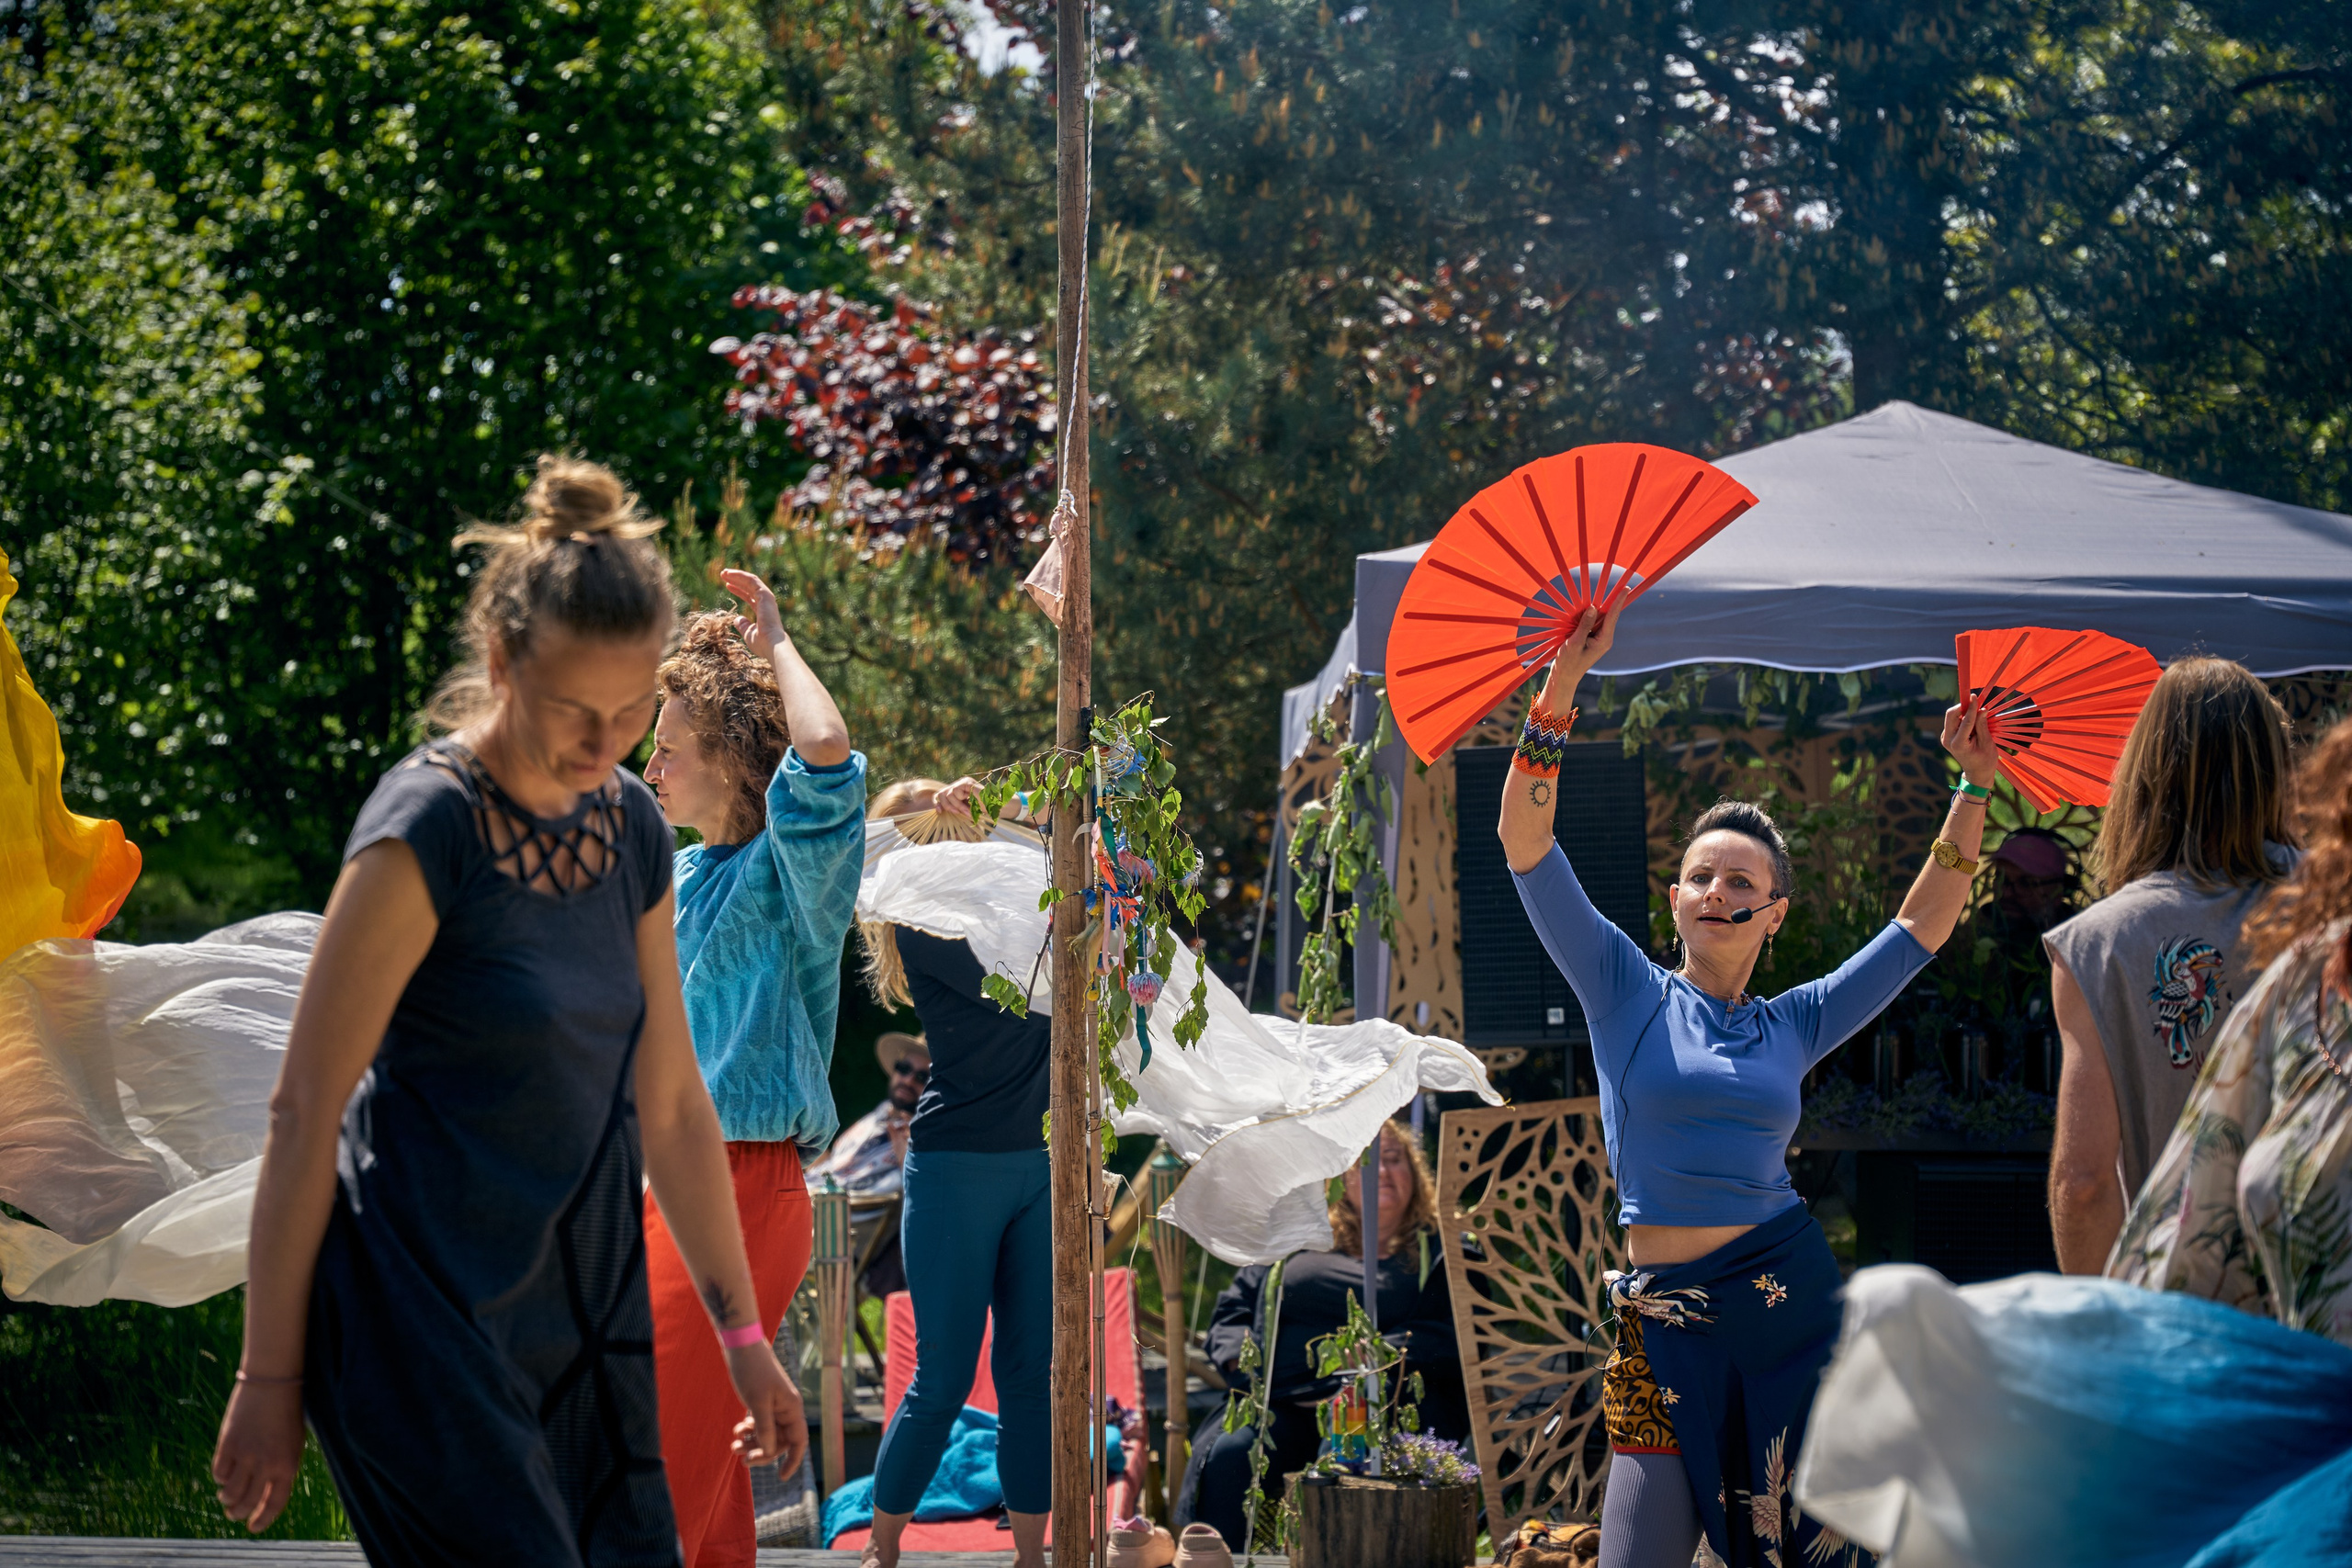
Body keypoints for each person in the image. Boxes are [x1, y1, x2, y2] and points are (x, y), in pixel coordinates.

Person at [210, 457, 803, 1562]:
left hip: (577, 1308)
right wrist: (268, 1373)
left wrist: (742, 1337)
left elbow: (672, 1105)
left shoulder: (629, 829)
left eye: (632, 714)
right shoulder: (423, 826)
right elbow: (305, 1111)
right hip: (412, 1313)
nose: (605, 743)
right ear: (501, 664)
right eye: (574, 712)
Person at [1498, 604, 1994, 1568]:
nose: (1717, 893)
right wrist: (1561, 684)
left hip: (1783, 1313)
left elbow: (1922, 926)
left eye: (1739, 883)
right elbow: (1525, 842)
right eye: (1699, 876)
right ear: (1674, 898)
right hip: (1659, 1320)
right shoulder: (1621, 988)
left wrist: (1974, 782)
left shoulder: (1794, 1020)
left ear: (1773, 914)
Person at [639, 572, 865, 1568]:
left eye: (669, 747)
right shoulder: (679, 876)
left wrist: (773, 634)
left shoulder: (793, 869)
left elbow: (822, 750)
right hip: (657, 1188)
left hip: (742, 1188)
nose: (649, 765)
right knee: (699, 1472)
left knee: (661, 1470)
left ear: (729, 761)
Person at [2041, 658, 2297, 1274]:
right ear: (2275, 772)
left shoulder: (2099, 944)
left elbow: (2084, 1183)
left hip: (2183, 1310)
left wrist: (2108, 1336)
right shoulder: (2334, 901)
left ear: (2143, 776)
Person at [856, 774, 1054, 1568]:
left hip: (1037, 1164)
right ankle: (882, 1549)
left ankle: (1034, 1557)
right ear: (901, 832)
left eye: (942, 784)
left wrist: (1023, 818)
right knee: (940, 1377)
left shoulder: (1005, 895)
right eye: (919, 794)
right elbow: (1032, 985)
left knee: (1027, 1378)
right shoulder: (920, 924)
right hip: (956, 1170)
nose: (940, 793)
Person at [2110, 713, 2352, 1341]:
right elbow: (2190, 1236)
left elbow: (2085, 1184)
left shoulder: (2105, 938)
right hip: (2310, 1416)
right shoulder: (2303, 983)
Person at [1180, 1121, 1470, 1551]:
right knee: (1232, 1455)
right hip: (1280, 1400)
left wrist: (1385, 1355)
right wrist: (1238, 1360)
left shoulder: (1446, 1250)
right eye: (1366, 1162)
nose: (1382, 1173)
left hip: (1382, 1409)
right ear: (1338, 1177)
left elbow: (1456, 1333)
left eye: (1394, 1160)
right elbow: (1235, 1309)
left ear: (1415, 1173)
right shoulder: (1297, 1237)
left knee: (1355, 1480)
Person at [809, 1032, 932, 1199]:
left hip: (833, 1216)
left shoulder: (925, 1137)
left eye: (922, 1077)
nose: (908, 1081)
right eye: (904, 1068)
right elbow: (837, 1170)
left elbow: (925, 1197)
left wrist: (908, 1158)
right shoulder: (880, 1114)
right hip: (811, 1196)